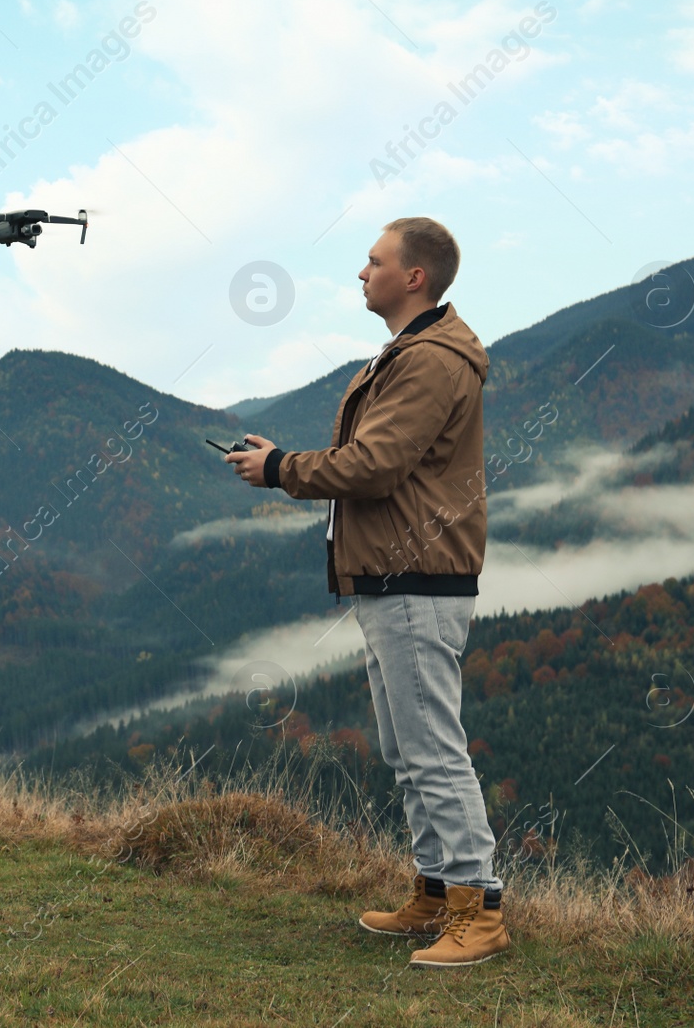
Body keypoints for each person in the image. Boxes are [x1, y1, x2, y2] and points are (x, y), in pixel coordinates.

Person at [224, 216, 507, 968]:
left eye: (374, 261)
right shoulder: (416, 353)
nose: (361, 272)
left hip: (417, 575)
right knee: (406, 747)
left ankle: (479, 910)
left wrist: (282, 467)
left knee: (434, 749)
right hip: (393, 574)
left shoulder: (430, 361)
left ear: (414, 276)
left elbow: (375, 464)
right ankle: (436, 889)